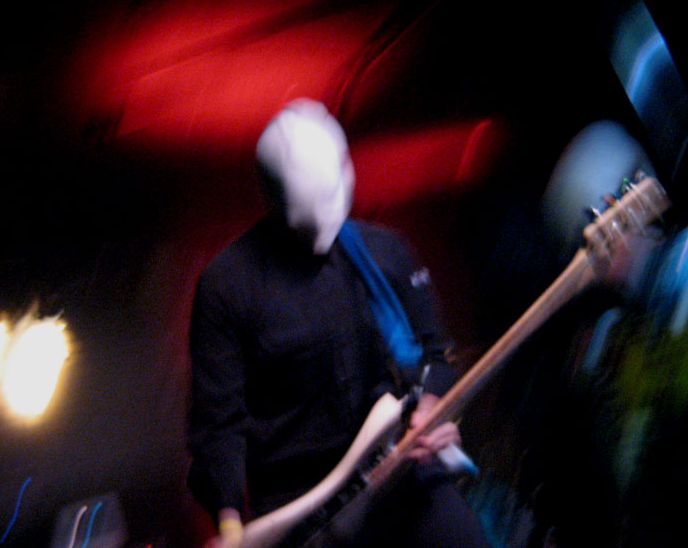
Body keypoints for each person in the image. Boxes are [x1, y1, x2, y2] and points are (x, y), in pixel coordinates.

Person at [187, 99, 489, 548]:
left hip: (398, 469)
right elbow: (218, 424)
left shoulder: (386, 251)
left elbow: (436, 353)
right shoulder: (226, 285)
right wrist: (231, 527)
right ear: (271, 198)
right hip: (298, 505)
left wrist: (432, 410)